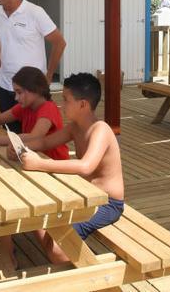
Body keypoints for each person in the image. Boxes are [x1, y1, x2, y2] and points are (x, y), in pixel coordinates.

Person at [0, 66, 69, 267]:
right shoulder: (27, 107)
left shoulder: (47, 108)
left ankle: (6, 254)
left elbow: (35, 137)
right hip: (32, 168)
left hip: (54, 172)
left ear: (35, 89)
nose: (16, 98)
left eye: (19, 92)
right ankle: (3, 248)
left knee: (3, 196)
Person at [19, 73, 124, 263]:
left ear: (83, 104)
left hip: (106, 203)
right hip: (84, 195)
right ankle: (66, 257)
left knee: (58, 249)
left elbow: (85, 166)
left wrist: (39, 163)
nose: (61, 105)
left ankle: (86, 273)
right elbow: (44, 142)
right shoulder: (75, 127)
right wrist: (21, 148)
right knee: (33, 214)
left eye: (66, 100)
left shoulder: (100, 129)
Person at [0, 0, 66, 133]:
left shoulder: (35, 12)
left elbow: (59, 43)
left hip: (32, 89)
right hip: (5, 86)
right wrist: (0, 65)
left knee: (34, 138)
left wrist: (49, 76)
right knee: (10, 135)